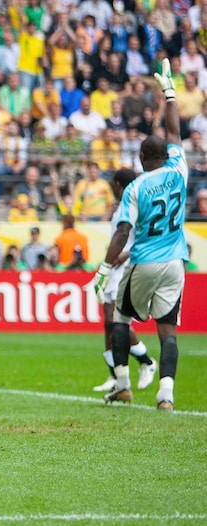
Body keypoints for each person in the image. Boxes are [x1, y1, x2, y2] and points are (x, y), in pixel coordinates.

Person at [93, 59, 190, 411]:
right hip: (176, 262)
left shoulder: (136, 187)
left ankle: (121, 384)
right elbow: (175, 133)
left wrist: (104, 269)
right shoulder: (179, 168)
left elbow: (123, 231)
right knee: (168, 331)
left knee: (119, 317)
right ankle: (166, 394)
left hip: (145, 261)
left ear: (142, 156)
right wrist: (170, 95)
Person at [92, 168, 158, 393]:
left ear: (120, 185)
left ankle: (146, 361)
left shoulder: (135, 206)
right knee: (107, 323)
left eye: (113, 182)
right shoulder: (120, 206)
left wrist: (124, 255)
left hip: (125, 269)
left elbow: (143, 238)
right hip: (114, 270)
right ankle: (114, 376)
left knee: (115, 320)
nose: (110, 186)